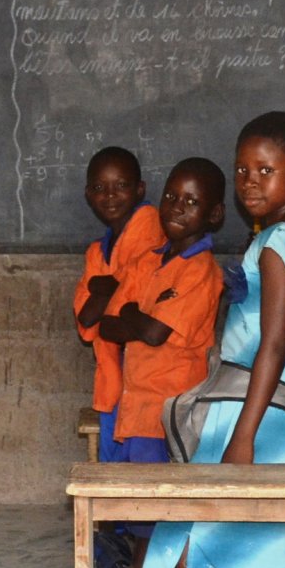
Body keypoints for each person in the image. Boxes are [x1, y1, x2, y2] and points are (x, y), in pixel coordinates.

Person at [134, 111, 285, 568]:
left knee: (186, 541)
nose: (250, 182)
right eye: (243, 170)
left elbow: (271, 344)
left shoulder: (276, 245)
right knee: (266, 544)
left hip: (254, 413)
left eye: (266, 170)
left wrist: (243, 435)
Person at [98, 157, 226, 568]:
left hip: (168, 420)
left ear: (213, 215)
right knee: (143, 531)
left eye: (192, 202)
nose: (177, 207)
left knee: (158, 531)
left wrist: (136, 318)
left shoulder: (202, 272)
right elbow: (107, 323)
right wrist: (137, 319)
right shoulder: (148, 260)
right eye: (172, 197)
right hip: (133, 414)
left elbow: (151, 333)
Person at [74, 146, 165, 464]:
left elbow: (132, 305)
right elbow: (86, 323)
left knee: (147, 479)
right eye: (99, 188)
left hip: (152, 383)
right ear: (88, 194)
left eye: (121, 185)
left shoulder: (152, 228)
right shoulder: (97, 252)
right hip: (114, 386)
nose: (110, 196)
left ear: (140, 189)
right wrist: (104, 293)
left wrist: (104, 291)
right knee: (116, 475)